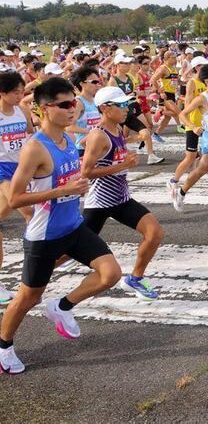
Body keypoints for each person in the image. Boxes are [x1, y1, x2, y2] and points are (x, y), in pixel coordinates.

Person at [0, 77, 121, 375]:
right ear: (44, 109)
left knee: (111, 274)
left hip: (74, 227)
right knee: (28, 297)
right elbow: (15, 198)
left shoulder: (67, 140)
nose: (73, 109)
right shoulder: (35, 149)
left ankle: (62, 306)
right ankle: (4, 345)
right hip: (45, 236)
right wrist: (61, 191)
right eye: (65, 104)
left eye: (74, 103)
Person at [80, 86, 165, 300]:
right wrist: (122, 165)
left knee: (154, 232)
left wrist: (131, 143)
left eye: (126, 104)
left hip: (121, 199)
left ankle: (135, 278)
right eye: (121, 105)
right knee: (67, 252)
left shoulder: (117, 129)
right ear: (105, 109)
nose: (127, 109)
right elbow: (86, 171)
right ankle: (37, 276)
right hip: (99, 203)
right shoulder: (99, 135)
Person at [172, 63, 208, 210]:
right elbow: (182, 114)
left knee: (201, 170)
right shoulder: (202, 99)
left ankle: (181, 192)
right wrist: (193, 127)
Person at [0, 71, 34, 305]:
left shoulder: (22, 110)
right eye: (15, 92)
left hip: (21, 167)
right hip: (2, 169)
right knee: (29, 212)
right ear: (2, 93)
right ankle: (47, 254)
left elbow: (30, 136)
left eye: (22, 91)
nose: (21, 96)